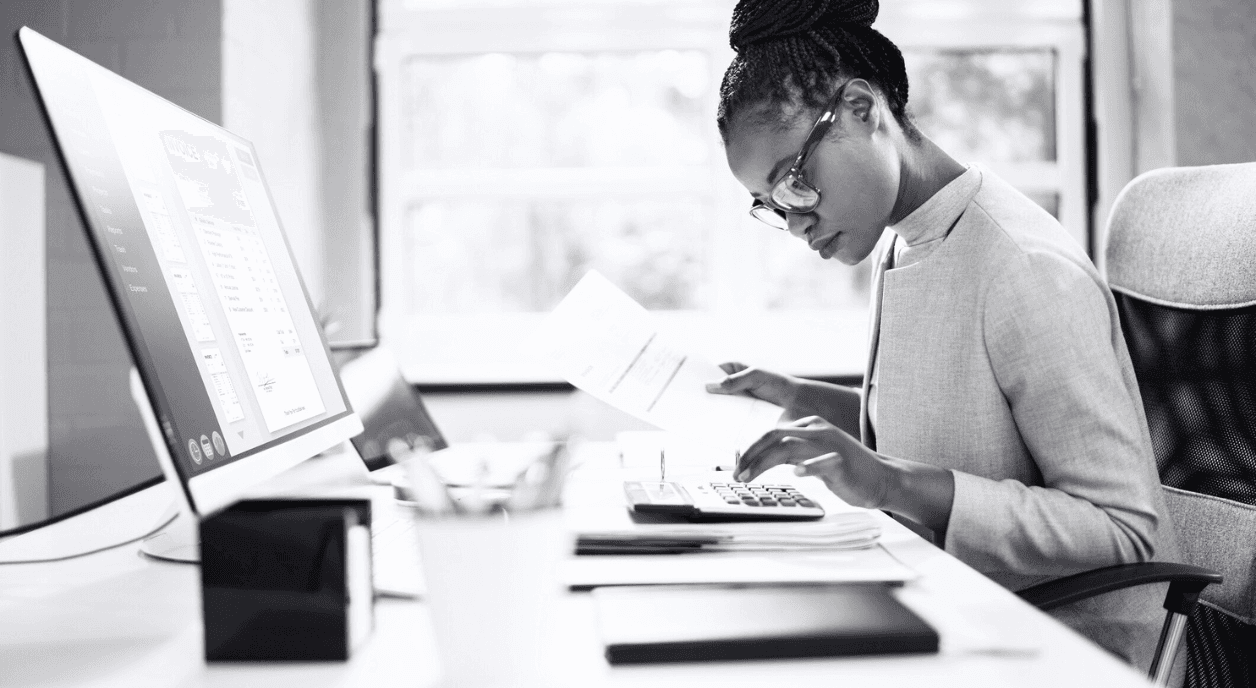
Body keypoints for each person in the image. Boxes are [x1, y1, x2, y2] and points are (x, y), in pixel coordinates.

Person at [705, 0, 1180, 678]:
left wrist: (888, 481)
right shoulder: (908, 238)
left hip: (1063, 647)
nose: (797, 222)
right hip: (953, 606)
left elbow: (1123, 530)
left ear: (863, 110)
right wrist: (801, 400)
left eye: (795, 180)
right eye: (772, 205)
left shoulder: (1024, 268)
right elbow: (951, 431)